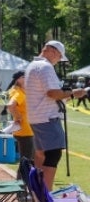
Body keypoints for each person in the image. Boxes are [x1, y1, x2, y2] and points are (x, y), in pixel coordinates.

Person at [24, 41, 87, 190]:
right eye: (59, 57)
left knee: (41, 154)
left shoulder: (33, 66)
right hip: (46, 117)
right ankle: (45, 196)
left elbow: (49, 93)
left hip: (37, 116)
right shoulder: (45, 67)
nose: (58, 61)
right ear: (52, 51)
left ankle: (37, 193)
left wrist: (66, 93)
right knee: (53, 155)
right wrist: (73, 93)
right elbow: (52, 93)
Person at [4, 70, 33, 163]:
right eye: (24, 77)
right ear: (18, 80)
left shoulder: (20, 91)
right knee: (27, 160)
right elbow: (10, 105)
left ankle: (23, 177)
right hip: (25, 130)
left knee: (26, 159)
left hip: (25, 129)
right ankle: (23, 177)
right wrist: (19, 117)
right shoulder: (19, 93)